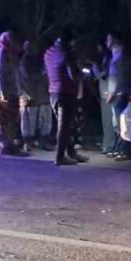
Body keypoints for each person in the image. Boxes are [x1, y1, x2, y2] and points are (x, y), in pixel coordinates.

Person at [45, 28, 89, 166]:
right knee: (64, 126)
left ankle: (71, 152)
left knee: (66, 125)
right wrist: (83, 74)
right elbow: (73, 75)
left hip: (53, 92)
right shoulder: (66, 53)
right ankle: (60, 156)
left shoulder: (49, 52)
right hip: (65, 93)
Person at [0, 31, 27, 156]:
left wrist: (20, 90)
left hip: (13, 91)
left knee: (13, 119)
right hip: (2, 92)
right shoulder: (1, 54)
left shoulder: (13, 54)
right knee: (2, 119)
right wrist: (2, 92)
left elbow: (17, 73)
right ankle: (5, 144)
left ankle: (11, 144)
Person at [18, 40, 53, 151]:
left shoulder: (40, 61)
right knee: (29, 122)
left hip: (42, 95)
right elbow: (27, 78)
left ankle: (43, 141)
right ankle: (27, 142)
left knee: (44, 120)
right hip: (30, 95)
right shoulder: (24, 62)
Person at [105, 32, 131, 159]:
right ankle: (118, 148)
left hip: (120, 94)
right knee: (116, 123)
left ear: (115, 40)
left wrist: (113, 93)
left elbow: (121, 78)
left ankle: (124, 150)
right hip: (116, 94)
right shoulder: (116, 56)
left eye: (109, 39)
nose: (107, 42)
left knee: (121, 123)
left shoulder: (122, 56)